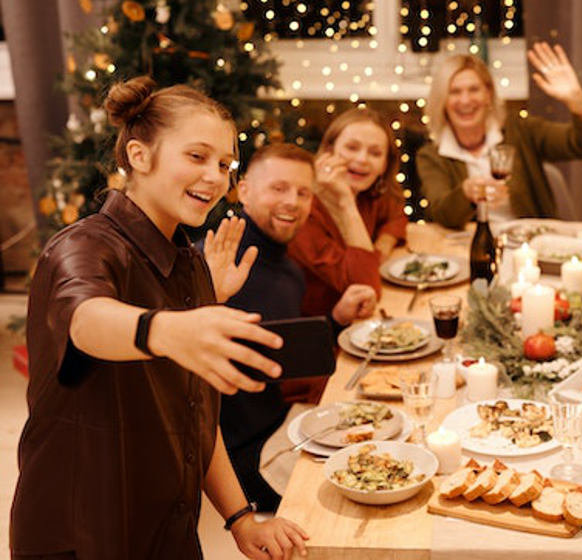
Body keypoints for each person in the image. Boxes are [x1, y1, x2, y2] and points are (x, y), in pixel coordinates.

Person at [10, 77, 308, 559]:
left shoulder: (189, 265)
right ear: (139, 156)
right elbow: (87, 321)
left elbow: (193, 417)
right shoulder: (82, 247)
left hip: (167, 526)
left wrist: (240, 519)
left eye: (225, 163)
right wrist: (166, 327)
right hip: (83, 533)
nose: (215, 176)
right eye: (197, 156)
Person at [202, 143, 377, 513]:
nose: (292, 202)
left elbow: (277, 348)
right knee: (365, 488)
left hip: (283, 422)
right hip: (240, 457)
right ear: (244, 190)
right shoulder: (217, 262)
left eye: (302, 193)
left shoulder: (287, 266)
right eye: (278, 188)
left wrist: (336, 319)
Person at [416, 43, 582, 228]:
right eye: (454, 92)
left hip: (529, 246)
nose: (465, 100)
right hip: (471, 247)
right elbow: (441, 215)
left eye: (474, 90)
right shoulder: (431, 156)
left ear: (488, 94)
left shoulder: (521, 130)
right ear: (442, 100)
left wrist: (579, 105)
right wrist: (466, 194)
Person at [288, 107, 406, 322]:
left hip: (357, 320)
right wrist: (346, 204)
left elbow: (397, 215)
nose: (362, 159)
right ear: (328, 151)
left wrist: (382, 247)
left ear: (385, 165)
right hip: (322, 330)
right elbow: (366, 288)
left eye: (375, 153)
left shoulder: (367, 192)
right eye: (352, 148)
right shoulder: (302, 211)